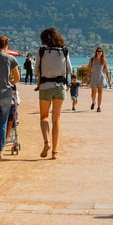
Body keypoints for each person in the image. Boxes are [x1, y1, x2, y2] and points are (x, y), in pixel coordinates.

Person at [36, 27, 73, 159]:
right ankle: (55, 152)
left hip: (45, 87)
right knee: (56, 119)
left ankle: (47, 142)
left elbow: (37, 71)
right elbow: (69, 69)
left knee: (44, 117)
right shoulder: (64, 51)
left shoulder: (41, 52)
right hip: (59, 87)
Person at [87, 46, 111, 112]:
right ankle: (93, 102)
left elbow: (106, 71)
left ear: (102, 52)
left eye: (100, 51)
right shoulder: (92, 60)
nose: (99, 52)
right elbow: (89, 69)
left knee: (100, 94)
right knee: (93, 93)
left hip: (101, 78)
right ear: (96, 52)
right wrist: (86, 77)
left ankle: (99, 107)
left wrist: (109, 80)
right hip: (93, 78)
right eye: (98, 51)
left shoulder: (104, 61)